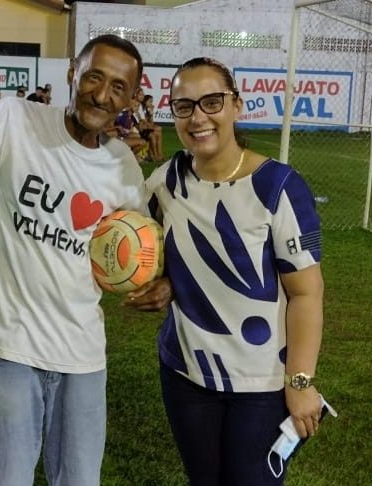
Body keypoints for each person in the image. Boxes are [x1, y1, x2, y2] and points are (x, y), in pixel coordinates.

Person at [0, 34, 146, 485]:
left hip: (83, 358)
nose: (102, 94)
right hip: (7, 350)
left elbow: (142, 248)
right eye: (94, 77)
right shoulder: (15, 120)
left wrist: (157, 281)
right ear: (73, 72)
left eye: (118, 87)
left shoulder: (123, 167)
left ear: (131, 99)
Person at [127, 57, 325, 485]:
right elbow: (144, 247)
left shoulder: (278, 187)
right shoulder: (165, 182)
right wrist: (163, 282)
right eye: (184, 106)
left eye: (212, 102)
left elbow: (306, 294)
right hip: (186, 374)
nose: (198, 117)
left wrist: (300, 381)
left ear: (237, 105)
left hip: (261, 384)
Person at [138, 93, 165, 162]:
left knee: (157, 132)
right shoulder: (140, 108)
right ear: (145, 101)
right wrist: (152, 126)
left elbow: (151, 122)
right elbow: (144, 122)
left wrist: (151, 112)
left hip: (146, 127)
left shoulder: (146, 109)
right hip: (141, 129)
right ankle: (155, 155)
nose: (151, 103)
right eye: (150, 101)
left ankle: (159, 153)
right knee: (157, 131)